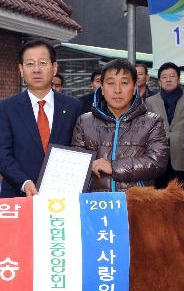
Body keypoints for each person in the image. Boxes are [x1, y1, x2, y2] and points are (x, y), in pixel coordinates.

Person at [0, 40, 82, 198]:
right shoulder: (6, 108)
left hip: (63, 197)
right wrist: (23, 182)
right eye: (30, 64)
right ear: (21, 69)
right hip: (18, 195)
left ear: (54, 68)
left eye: (43, 63)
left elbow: (80, 150)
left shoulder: (74, 107)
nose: (37, 70)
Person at [71, 59, 168, 192]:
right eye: (110, 83)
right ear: (102, 89)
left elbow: (157, 162)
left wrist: (113, 166)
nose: (117, 90)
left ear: (134, 88)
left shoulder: (152, 122)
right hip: (96, 203)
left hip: (136, 202)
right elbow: (77, 164)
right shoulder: (84, 121)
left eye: (124, 83)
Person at [145, 62, 184, 189]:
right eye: (164, 77)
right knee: (160, 194)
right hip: (159, 155)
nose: (168, 79)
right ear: (159, 81)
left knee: (182, 193)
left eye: (172, 76)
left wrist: (183, 139)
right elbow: (147, 126)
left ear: (179, 79)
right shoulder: (150, 101)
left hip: (182, 154)